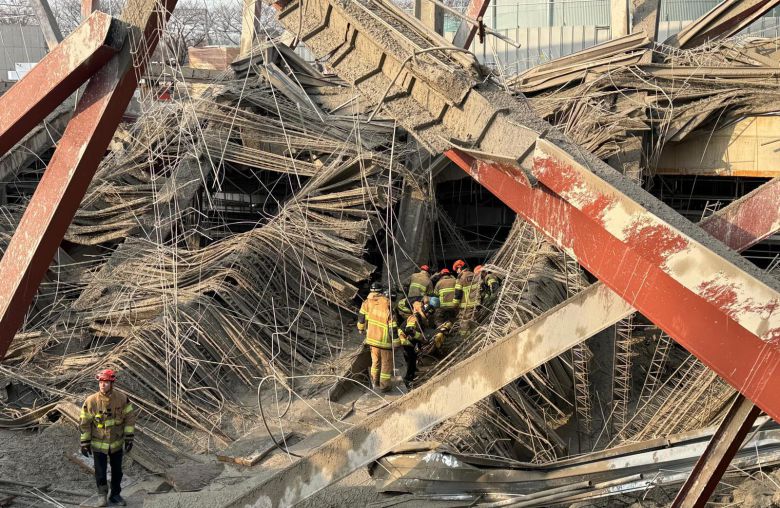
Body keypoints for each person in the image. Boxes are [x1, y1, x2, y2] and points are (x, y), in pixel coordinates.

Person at [80, 369, 136, 507]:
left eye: (105, 382)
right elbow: (84, 423)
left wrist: (129, 438)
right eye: (100, 382)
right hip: (99, 445)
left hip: (116, 443)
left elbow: (130, 418)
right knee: (100, 472)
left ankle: (115, 495)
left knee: (117, 471)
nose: (102, 385)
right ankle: (102, 496)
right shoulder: (91, 401)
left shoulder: (122, 398)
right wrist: (84, 443)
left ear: (111, 383)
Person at [357, 284, 398, 392]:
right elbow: (392, 326)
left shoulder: (366, 303)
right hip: (384, 341)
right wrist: (396, 341)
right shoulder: (387, 304)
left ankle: (375, 381)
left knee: (375, 361)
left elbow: (361, 318)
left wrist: (361, 329)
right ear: (381, 292)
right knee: (386, 364)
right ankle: (384, 386)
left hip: (371, 339)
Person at [398, 298, 438, 387]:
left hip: (408, 338)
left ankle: (413, 371)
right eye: (428, 314)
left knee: (414, 355)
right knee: (411, 356)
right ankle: (408, 378)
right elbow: (409, 330)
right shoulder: (415, 317)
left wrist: (419, 344)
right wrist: (420, 338)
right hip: (403, 337)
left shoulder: (421, 319)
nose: (428, 316)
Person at [432, 268, 459, 351]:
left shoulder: (438, 283)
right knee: (454, 322)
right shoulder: (455, 281)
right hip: (454, 307)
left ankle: (440, 334)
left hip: (443, 307)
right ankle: (454, 336)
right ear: (449, 274)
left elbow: (435, 297)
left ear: (441, 275)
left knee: (438, 320)